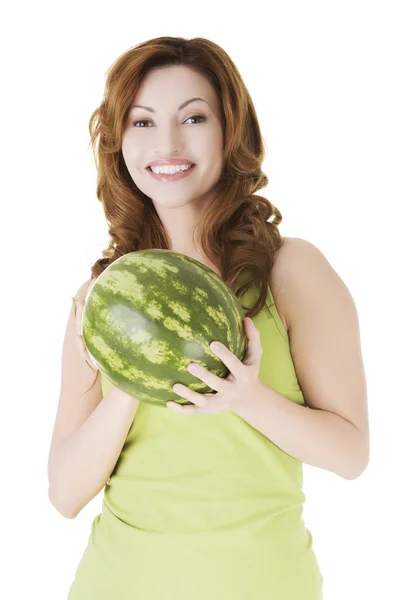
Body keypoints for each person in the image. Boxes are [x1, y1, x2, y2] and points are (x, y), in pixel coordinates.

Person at [47, 36, 370, 600]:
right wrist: (126, 385)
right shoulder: (101, 296)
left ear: (231, 132)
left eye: (194, 117)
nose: (167, 143)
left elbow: (350, 455)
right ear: (119, 143)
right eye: (142, 123)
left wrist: (245, 396)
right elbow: (64, 494)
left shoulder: (290, 270)